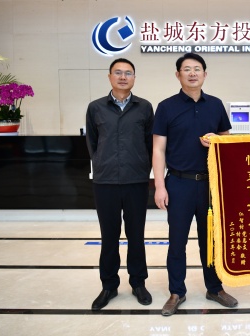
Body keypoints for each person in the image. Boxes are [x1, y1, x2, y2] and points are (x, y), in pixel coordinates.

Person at [152, 53, 238, 316]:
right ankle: (177, 292)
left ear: (205, 74)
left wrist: (216, 140)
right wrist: (159, 186)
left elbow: (227, 142)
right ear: (177, 74)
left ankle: (215, 288)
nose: (192, 73)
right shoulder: (166, 107)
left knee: (210, 240)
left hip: (210, 185)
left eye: (197, 69)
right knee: (177, 242)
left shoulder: (216, 105)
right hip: (178, 183)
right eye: (186, 69)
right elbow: (158, 149)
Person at [85, 58, 154, 311]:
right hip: (105, 182)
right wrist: (102, 164)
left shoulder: (144, 107)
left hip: (136, 181)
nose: (123, 77)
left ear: (134, 78)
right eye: (118, 72)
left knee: (136, 235)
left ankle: (138, 283)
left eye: (128, 73)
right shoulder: (95, 107)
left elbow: (150, 143)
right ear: (109, 76)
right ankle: (109, 285)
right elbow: (92, 143)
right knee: (109, 236)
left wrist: (142, 168)